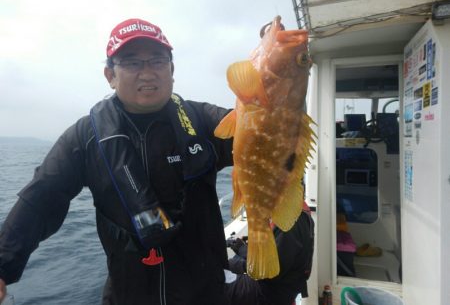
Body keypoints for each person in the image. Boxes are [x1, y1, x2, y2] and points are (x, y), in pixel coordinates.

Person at [0, 18, 233, 305]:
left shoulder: (204, 120)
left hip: (206, 294)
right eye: (132, 63)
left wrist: (279, 72)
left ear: (172, 70)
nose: (147, 73)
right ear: (110, 75)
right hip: (127, 296)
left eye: (158, 61)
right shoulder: (85, 136)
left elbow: (267, 135)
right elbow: (41, 198)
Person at [225, 202, 314, 305]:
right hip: (279, 287)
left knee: (217, 286)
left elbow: (272, 270)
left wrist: (235, 263)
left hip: (269, 293)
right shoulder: (293, 211)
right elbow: (278, 253)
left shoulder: (289, 222)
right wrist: (245, 248)